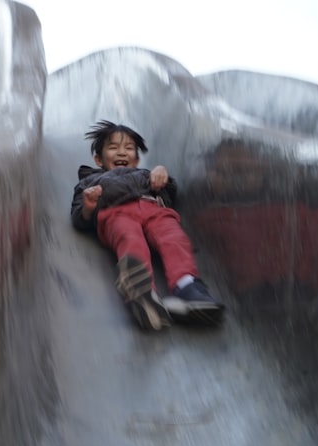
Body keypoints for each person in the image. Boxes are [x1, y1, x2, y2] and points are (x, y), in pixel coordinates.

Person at [70, 120, 225, 331]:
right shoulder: (90, 182)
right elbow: (80, 218)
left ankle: (188, 287)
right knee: (130, 239)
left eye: (129, 148)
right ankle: (143, 293)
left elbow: (171, 196)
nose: (122, 153)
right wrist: (89, 205)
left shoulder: (146, 174)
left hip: (155, 210)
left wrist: (162, 176)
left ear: (137, 158)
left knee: (174, 239)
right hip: (117, 213)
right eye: (113, 148)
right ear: (98, 159)